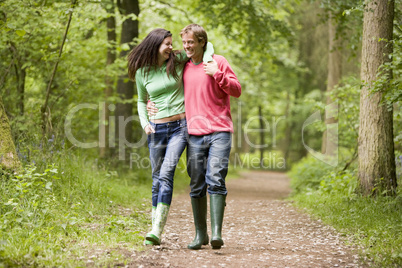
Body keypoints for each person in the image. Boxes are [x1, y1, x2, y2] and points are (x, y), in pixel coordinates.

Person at [148, 24, 241, 250]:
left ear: (202, 42)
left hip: (220, 131)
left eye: (191, 42)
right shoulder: (182, 67)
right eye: (185, 42)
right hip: (194, 134)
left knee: (216, 178)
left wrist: (217, 74)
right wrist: (152, 103)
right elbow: (166, 88)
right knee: (196, 183)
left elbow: (237, 90)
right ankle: (201, 236)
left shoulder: (218, 61)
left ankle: (217, 233)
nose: (187, 46)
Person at [127, 28, 213, 246]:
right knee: (156, 178)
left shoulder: (177, 60)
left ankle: (156, 229)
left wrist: (210, 58)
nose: (171, 47)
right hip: (155, 130)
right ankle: (154, 224)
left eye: (171, 43)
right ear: (155, 45)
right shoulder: (142, 72)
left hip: (180, 127)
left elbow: (206, 47)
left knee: (166, 173)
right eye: (167, 43)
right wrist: (145, 122)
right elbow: (140, 100)